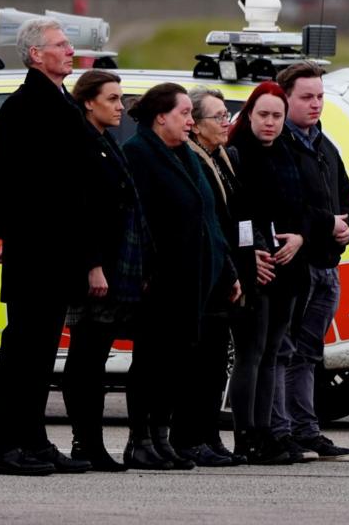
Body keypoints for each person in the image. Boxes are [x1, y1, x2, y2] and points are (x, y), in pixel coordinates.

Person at [0, 17, 93, 476]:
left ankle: (35, 441)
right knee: (23, 353)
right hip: (36, 251)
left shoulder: (60, 102)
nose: (70, 51)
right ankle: (9, 449)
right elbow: (2, 177)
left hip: (58, 250)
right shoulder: (25, 105)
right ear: (35, 55)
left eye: (69, 45)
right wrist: (10, 235)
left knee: (42, 353)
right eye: (61, 45)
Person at [121, 83, 237, 470]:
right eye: (184, 113)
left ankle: (160, 435)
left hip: (195, 278)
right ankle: (140, 440)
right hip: (161, 279)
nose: (190, 121)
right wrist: (149, 269)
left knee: (174, 363)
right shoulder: (138, 154)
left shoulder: (184, 154)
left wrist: (227, 269)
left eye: (191, 113)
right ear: (160, 117)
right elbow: (140, 219)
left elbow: (208, 218)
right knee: (151, 363)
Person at [270, 62, 349, 462]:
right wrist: (329, 223)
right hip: (296, 266)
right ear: (285, 97)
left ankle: (307, 430)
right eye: (306, 97)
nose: (316, 104)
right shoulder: (279, 145)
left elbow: (347, 200)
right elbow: (289, 207)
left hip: (327, 265)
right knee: (284, 351)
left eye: (320, 96)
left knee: (310, 355)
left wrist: (348, 229)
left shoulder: (324, 145)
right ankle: (281, 431)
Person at [61, 70, 151, 472]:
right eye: (112, 99)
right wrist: (93, 266)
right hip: (95, 268)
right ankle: (86, 442)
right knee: (86, 360)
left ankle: (90, 443)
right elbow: (82, 211)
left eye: (120, 99)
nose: (120, 107)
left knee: (93, 358)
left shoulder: (104, 141)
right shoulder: (81, 142)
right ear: (88, 102)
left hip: (115, 264)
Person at [226, 81, 308, 464]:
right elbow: (237, 212)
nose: (271, 123)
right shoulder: (238, 153)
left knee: (273, 351)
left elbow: (304, 203)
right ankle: (247, 436)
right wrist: (251, 252)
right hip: (256, 266)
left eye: (277, 115)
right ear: (249, 114)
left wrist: (300, 238)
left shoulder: (288, 151)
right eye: (263, 115)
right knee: (251, 352)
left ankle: (267, 433)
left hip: (288, 265)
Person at [168, 87, 248, 467]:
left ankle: (209, 435)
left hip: (224, 269)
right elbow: (209, 220)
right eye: (217, 117)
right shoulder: (195, 161)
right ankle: (189, 437)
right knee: (198, 363)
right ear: (196, 126)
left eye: (226, 115)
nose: (225, 122)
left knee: (217, 362)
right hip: (207, 272)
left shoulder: (222, 158)